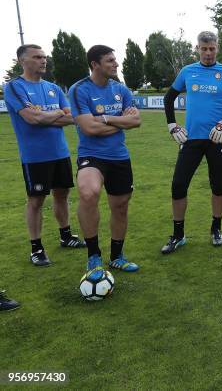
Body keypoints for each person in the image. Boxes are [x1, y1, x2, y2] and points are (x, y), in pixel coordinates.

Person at [161, 31, 222, 253]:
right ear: (197, 48)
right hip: (191, 139)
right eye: (204, 48)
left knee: (217, 185)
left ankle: (216, 229)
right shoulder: (187, 71)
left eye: (212, 48)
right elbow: (168, 98)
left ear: (218, 47)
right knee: (178, 185)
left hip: (217, 139)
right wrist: (172, 125)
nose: (208, 53)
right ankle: (178, 235)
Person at [3, 44, 85, 267]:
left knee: (62, 194)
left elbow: (72, 117)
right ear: (22, 61)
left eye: (44, 57)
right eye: (37, 57)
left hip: (60, 152)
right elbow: (32, 119)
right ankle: (36, 248)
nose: (43, 60)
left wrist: (48, 115)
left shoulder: (53, 88)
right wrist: (55, 113)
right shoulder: (14, 87)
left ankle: (66, 236)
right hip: (35, 156)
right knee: (36, 200)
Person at [68, 45, 142, 281]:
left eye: (115, 59)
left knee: (120, 206)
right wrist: (121, 122)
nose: (116, 64)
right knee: (88, 194)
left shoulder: (121, 89)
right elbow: (88, 128)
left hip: (119, 156)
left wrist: (107, 119)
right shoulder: (79, 89)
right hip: (92, 155)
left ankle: (117, 256)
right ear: (95, 65)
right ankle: (94, 256)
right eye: (110, 61)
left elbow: (136, 121)